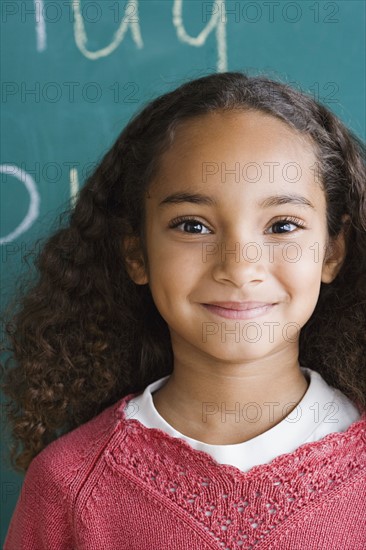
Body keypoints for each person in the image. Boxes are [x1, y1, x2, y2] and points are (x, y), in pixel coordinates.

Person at [1, 71, 365, 549]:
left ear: (332, 252)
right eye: (193, 226)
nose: (239, 267)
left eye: (282, 226)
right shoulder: (70, 485)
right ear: (137, 254)